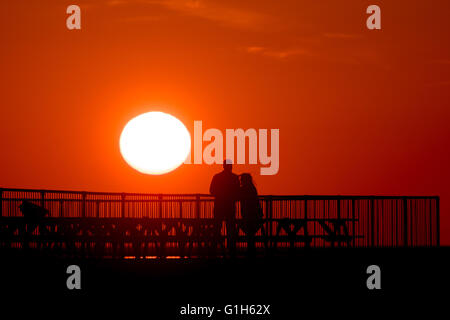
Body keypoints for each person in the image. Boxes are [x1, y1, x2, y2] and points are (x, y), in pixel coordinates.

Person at [209, 159, 240, 257]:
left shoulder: (217, 177)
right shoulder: (235, 178)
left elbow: (212, 191)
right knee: (230, 228)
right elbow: (237, 192)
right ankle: (231, 250)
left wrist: (221, 195)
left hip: (219, 205)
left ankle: (214, 250)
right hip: (230, 206)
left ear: (223, 166)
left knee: (217, 228)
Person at [239, 173, 264, 257]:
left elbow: (237, 194)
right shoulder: (252, 188)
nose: (241, 181)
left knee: (250, 232)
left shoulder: (245, 189)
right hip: (254, 213)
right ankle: (251, 250)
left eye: (242, 180)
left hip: (249, 214)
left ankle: (250, 250)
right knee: (251, 233)